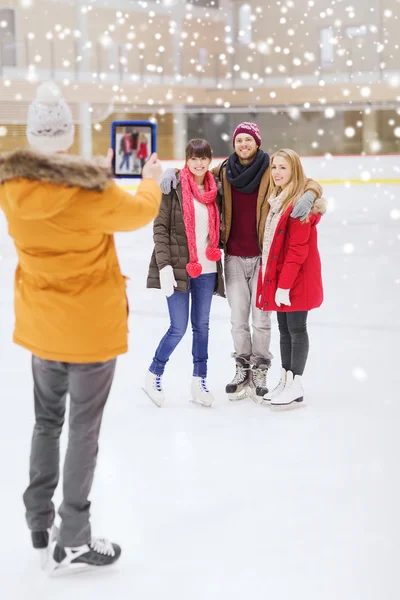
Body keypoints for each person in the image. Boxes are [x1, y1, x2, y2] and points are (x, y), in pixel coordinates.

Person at [0, 82, 162, 572]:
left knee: (46, 423)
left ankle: (37, 517)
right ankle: (73, 535)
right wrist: (150, 177)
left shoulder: (11, 187)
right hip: (90, 330)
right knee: (83, 431)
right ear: (68, 135)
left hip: (42, 325)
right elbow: (140, 211)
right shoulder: (92, 191)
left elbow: (57, 204)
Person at [161, 122, 320, 402]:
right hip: (232, 255)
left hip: (262, 256)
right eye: (239, 140)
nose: (243, 144)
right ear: (233, 144)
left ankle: (260, 368)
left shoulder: (270, 169)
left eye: (249, 139)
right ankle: (242, 366)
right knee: (237, 319)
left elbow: (305, 181)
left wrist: (310, 194)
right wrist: (170, 172)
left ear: (257, 143)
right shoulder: (223, 171)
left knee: (261, 319)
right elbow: (193, 173)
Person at [145, 139, 225, 408]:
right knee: (178, 327)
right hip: (179, 267)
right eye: (194, 158)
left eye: (203, 158)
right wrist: (164, 265)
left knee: (201, 327)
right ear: (186, 160)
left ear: (210, 160)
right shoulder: (173, 186)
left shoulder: (217, 190)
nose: (199, 163)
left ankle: (199, 381)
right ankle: (153, 373)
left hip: (208, 268)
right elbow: (160, 228)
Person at [256, 149, 326, 406]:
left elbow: (297, 250)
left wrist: (283, 285)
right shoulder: (278, 199)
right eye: (274, 167)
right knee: (284, 331)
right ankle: (286, 379)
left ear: (294, 170)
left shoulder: (298, 206)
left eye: (283, 168)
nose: (277, 172)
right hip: (283, 278)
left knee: (297, 329)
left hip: (296, 279)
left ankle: (296, 383)